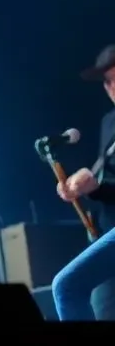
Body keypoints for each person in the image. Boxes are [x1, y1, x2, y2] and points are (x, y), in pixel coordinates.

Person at [50, 44, 115, 321]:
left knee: (67, 286)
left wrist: (96, 186)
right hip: (107, 229)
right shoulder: (109, 123)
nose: (112, 87)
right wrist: (83, 187)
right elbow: (107, 180)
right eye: (108, 81)